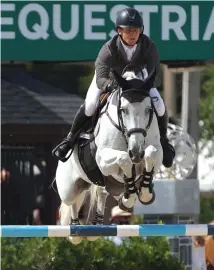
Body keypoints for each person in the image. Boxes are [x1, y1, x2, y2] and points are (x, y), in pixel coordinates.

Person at [52, 7, 175, 168]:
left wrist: (144, 85)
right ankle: (69, 139)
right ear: (119, 31)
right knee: (90, 105)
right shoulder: (108, 49)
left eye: (136, 31)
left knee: (159, 104)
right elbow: (101, 77)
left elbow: (156, 75)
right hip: (111, 80)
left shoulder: (148, 46)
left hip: (140, 81)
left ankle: (164, 142)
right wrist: (111, 85)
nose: (133, 35)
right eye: (129, 30)